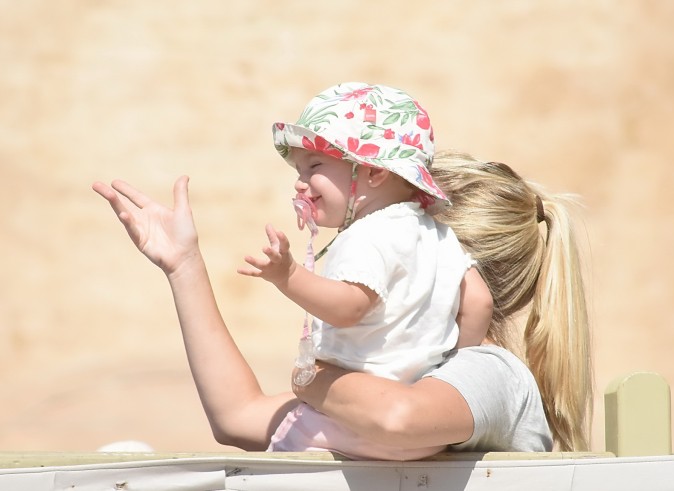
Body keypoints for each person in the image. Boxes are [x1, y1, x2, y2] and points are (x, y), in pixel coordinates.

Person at [92, 126, 592, 458]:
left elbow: (396, 419)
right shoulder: (404, 374)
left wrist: (310, 379)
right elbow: (236, 416)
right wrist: (184, 266)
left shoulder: (490, 370)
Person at [235, 82, 491, 459]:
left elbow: (349, 306)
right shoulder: (438, 234)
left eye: (315, 166)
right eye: (299, 168)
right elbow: (480, 302)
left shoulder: (366, 234)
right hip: (424, 430)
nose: (299, 180)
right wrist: (447, 376)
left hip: (347, 424)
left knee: (277, 458)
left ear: (373, 173)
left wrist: (288, 275)